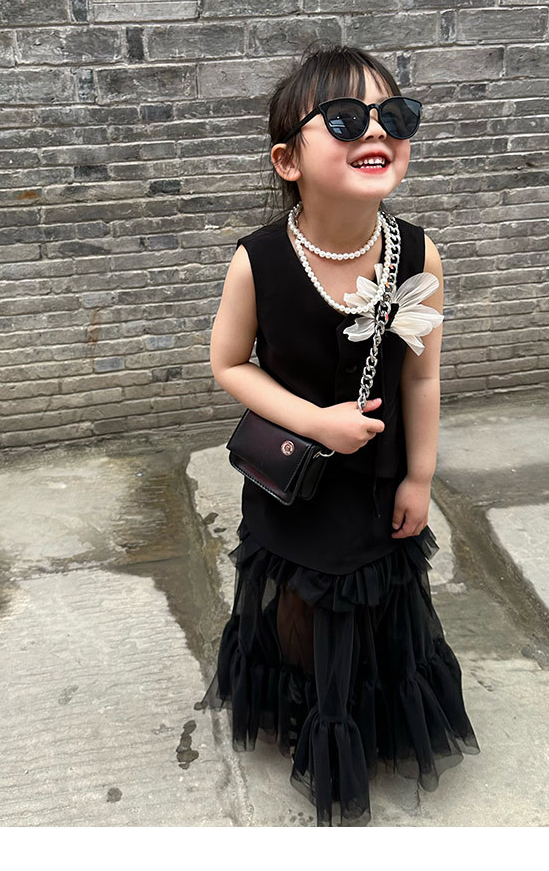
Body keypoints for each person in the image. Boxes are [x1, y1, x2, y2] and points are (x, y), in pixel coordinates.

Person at [197, 43, 480, 827]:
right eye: (347, 119)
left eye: (395, 115)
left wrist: (419, 476)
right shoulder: (259, 262)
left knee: (377, 594)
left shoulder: (417, 254)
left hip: (378, 477)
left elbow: (421, 378)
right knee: (302, 599)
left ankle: (369, 704)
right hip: (296, 478)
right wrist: (314, 420)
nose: (376, 130)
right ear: (288, 159)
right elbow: (228, 363)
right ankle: (309, 702)